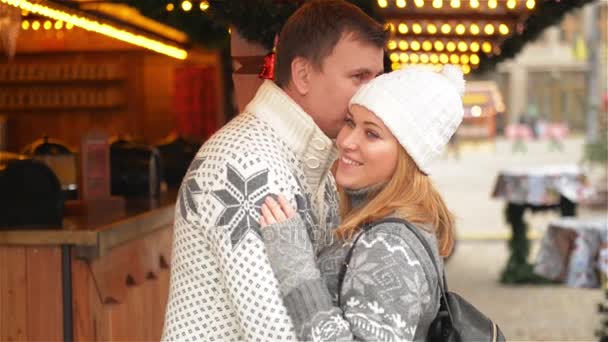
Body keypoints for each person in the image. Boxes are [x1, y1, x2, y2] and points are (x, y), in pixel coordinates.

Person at [161, 1, 387, 340]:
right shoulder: (245, 166)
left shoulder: (313, 160)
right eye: (359, 77)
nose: (372, 94)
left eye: (376, 79)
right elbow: (277, 333)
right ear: (303, 75)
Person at [259, 65, 465, 341]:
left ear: (408, 155)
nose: (347, 141)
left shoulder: (388, 246)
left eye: (372, 134)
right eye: (350, 122)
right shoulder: (392, 221)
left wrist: (295, 268)